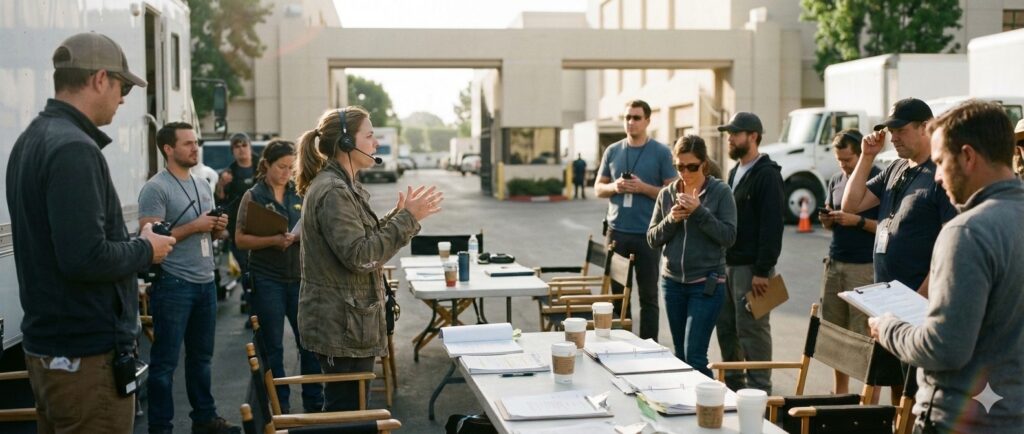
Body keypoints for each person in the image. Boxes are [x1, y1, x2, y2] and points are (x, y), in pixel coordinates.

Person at [5, 32, 174, 434]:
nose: (123, 98)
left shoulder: (32, 139)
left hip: (55, 350)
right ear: (100, 79)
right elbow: (84, 257)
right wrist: (145, 249)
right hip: (85, 356)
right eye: (122, 86)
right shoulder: (73, 149)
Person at [869, 100, 1024, 433]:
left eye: (940, 162)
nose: (937, 177)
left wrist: (889, 328)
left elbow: (944, 348)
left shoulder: (967, 231)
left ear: (967, 156)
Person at [295, 107, 442, 411]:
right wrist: (407, 220)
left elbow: (361, 239)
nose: (376, 143)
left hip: (346, 322)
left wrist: (400, 216)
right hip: (342, 324)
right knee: (346, 414)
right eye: (370, 135)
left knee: (348, 411)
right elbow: (361, 256)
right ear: (347, 143)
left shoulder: (341, 185)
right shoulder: (334, 190)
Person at [139, 122, 238, 434]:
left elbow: (213, 233)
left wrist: (219, 226)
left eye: (196, 143)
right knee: (165, 363)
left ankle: (205, 419)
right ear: (169, 149)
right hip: (174, 283)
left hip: (205, 281)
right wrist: (195, 226)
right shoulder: (156, 188)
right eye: (187, 144)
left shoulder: (201, 184)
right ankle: (160, 427)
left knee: (201, 359)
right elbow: (151, 239)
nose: (195, 148)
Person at [234, 139, 323, 413]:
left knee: (308, 343)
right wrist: (273, 240)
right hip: (267, 278)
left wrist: (299, 237)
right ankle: (280, 406)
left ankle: (314, 403)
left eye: (290, 167)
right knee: (273, 347)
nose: (286, 173)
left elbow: (316, 230)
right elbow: (240, 240)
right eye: (281, 167)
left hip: (299, 278)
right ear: (266, 165)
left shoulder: (302, 193)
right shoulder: (253, 196)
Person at [841, 98, 957, 297]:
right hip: (885, 296)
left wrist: (921, 298)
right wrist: (867, 156)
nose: (893, 138)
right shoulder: (895, 168)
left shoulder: (942, 174)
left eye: (900, 130)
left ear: (925, 127)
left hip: (918, 300)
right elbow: (850, 205)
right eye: (891, 132)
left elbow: (952, 246)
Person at [647, 135, 736, 378]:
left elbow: (729, 237)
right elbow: (652, 238)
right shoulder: (667, 194)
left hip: (706, 283)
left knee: (695, 356)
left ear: (704, 164)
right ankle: (688, 412)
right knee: (680, 356)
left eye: (692, 167)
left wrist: (699, 212)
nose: (685, 172)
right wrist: (672, 220)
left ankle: (712, 409)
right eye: (679, 167)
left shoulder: (720, 192)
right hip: (672, 283)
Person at [594, 99, 676, 341]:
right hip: (617, 233)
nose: (631, 122)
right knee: (618, 296)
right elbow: (598, 189)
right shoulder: (613, 150)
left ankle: (649, 346)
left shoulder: (661, 152)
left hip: (648, 234)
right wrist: (615, 186)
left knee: (649, 296)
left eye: (636, 118)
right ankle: (621, 344)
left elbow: (671, 193)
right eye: (627, 117)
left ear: (648, 121)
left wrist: (642, 188)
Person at [715, 111, 784, 393]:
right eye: (729, 133)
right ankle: (734, 388)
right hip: (728, 266)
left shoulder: (767, 175)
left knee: (753, 331)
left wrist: (762, 270)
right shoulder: (734, 172)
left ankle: (760, 392)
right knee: (727, 330)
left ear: (753, 136)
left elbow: (772, 226)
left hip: (752, 271)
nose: (729, 138)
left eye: (735, 133)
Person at [818, 129, 880, 395]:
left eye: (848, 160)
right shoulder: (835, 179)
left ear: (860, 154)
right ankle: (840, 393)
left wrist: (858, 221)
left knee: (865, 337)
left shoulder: (878, 176)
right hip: (835, 262)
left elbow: (887, 227)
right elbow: (831, 218)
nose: (843, 166)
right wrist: (827, 220)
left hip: (863, 267)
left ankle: (870, 398)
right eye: (840, 160)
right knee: (835, 333)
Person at [216, 132, 255, 313]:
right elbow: (221, 202)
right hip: (238, 231)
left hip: (262, 228)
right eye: (237, 147)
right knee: (247, 271)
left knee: (261, 273)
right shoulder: (228, 174)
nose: (241, 150)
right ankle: (251, 306)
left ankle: (256, 305)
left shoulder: (262, 167)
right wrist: (221, 186)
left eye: (244, 145)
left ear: (250, 146)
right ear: (233, 151)